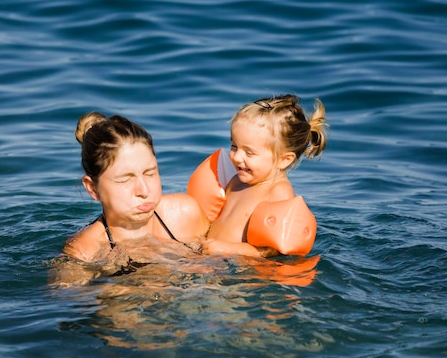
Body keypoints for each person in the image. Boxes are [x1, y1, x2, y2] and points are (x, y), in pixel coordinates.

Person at [62, 112, 210, 264]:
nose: (144, 191)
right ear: (93, 188)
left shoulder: (185, 215)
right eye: (125, 179)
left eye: (150, 173)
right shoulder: (84, 252)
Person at [202, 94, 328, 257]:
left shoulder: (278, 191)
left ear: (284, 159)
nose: (237, 157)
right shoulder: (237, 180)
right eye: (234, 146)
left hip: (240, 273)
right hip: (213, 258)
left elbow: (274, 249)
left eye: (249, 152)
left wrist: (229, 249)